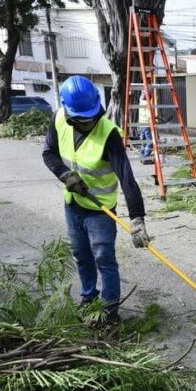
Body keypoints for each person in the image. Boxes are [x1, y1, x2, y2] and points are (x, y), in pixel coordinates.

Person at [42, 75, 149, 323]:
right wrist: (65, 174)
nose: (88, 123)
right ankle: (89, 300)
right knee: (81, 255)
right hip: (73, 204)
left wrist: (137, 219)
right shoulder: (58, 118)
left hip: (101, 211)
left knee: (104, 258)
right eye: (81, 120)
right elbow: (49, 153)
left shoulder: (109, 134)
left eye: (92, 117)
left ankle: (109, 311)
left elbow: (127, 179)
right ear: (68, 112)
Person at [139, 89, 153, 160]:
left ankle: (142, 155)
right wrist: (153, 118)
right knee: (150, 142)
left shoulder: (141, 102)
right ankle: (146, 157)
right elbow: (149, 115)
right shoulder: (147, 104)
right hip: (147, 124)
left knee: (144, 141)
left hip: (141, 124)